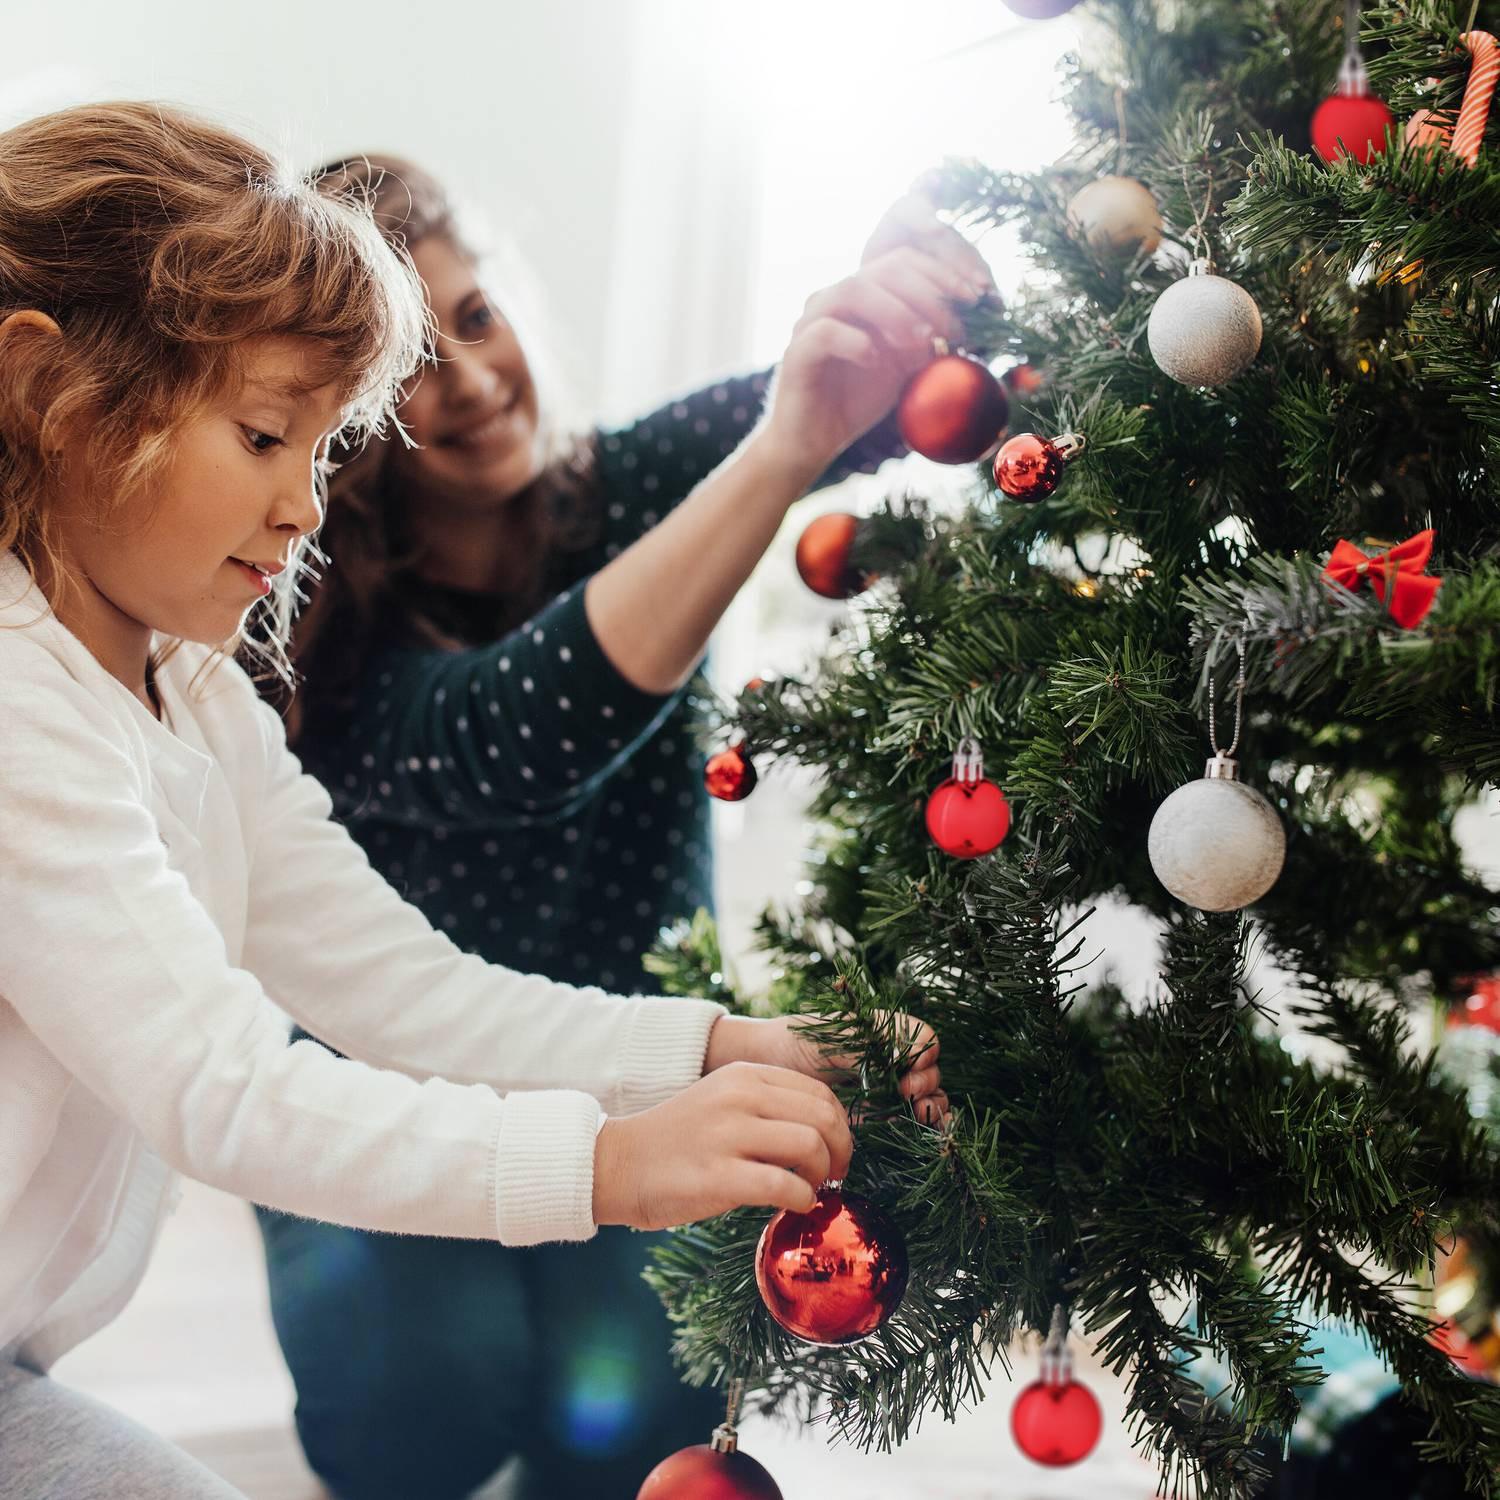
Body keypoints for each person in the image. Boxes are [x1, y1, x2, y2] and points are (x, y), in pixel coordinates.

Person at [0, 102, 947, 1500]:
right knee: (412, 1389)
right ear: (50, 401)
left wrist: (723, 1046)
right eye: (265, 436)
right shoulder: (24, 704)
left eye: (322, 452)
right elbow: (226, 1089)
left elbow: (402, 988)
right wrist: (612, 1164)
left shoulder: (191, 690)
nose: (305, 507)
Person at [252, 157, 986, 1499]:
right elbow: (513, 740)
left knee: (636, 1419)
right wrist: (781, 448)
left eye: (474, 317)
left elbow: (861, 406)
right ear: (330, 422)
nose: (470, 379)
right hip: (394, 1092)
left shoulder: (626, 478)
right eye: (407, 361)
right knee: (420, 1405)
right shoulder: (311, 638)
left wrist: (899, 309)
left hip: (644, 1065)